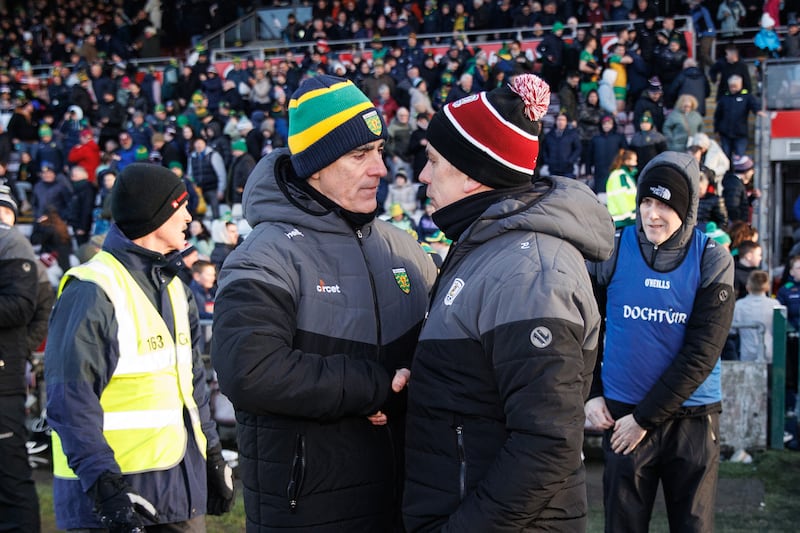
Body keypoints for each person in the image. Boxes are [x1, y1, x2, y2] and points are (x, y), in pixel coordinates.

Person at [211, 75, 437, 531]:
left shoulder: (402, 247)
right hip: (308, 513)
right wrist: (371, 387)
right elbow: (249, 369)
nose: (380, 168)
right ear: (315, 166)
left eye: (378, 151)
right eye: (359, 155)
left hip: (406, 505)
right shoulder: (265, 254)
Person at [403, 73, 615, 531]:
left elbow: (547, 441)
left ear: (471, 174)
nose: (422, 175)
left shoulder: (530, 271)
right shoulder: (487, 251)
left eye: (433, 161)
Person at [45, 163, 234, 531]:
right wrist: (107, 491)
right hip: (115, 503)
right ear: (154, 215)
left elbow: (191, 388)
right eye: (180, 206)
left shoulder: (176, 289)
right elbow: (70, 402)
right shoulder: (91, 290)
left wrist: (211, 455)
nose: (188, 217)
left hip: (178, 496)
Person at [585, 151, 735, 533]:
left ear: (687, 210)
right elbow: (585, 328)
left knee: (693, 526)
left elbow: (702, 354)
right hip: (622, 415)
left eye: (665, 205)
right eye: (646, 202)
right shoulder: (613, 250)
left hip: (692, 420)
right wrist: (592, 392)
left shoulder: (712, 259)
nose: (652, 214)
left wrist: (643, 419)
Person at [0, 187, 41, 532]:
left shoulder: (13, 244)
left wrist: (25, 348)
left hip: (4, 374)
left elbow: (23, 306)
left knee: (9, 472)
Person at [733, 270, 781, 362]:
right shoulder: (775, 304)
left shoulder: (739, 305)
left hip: (747, 354)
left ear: (748, 286)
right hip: (770, 353)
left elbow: (732, 331)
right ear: (767, 286)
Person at [714, 74, 763, 161]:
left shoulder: (746, 96)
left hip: (740, 132)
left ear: (740, 85)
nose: (733, 88)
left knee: (740, 157)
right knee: (725, 157)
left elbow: (754, 105)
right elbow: (718, 115)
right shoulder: (724, 98)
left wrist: (758, 111)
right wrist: (716, 129)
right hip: (725, 133)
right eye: (731, 86)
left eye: (735, 86)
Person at [606, 149, 639, 228]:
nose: (636, 163)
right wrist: (629, 217)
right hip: (624, 220)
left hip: (626, 219)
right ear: (627, 161)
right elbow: (620, 198)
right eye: (634, 161)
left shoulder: (625, 175)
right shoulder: (620, 175)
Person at [723, 154, 756, 225]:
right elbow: (732, 207)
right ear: (745, 171)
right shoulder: (735, 185)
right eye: (751, 170)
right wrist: (739, 224)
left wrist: (752, 197)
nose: (753, 172)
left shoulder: (735, 183)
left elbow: (740, 203)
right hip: (735, 225)